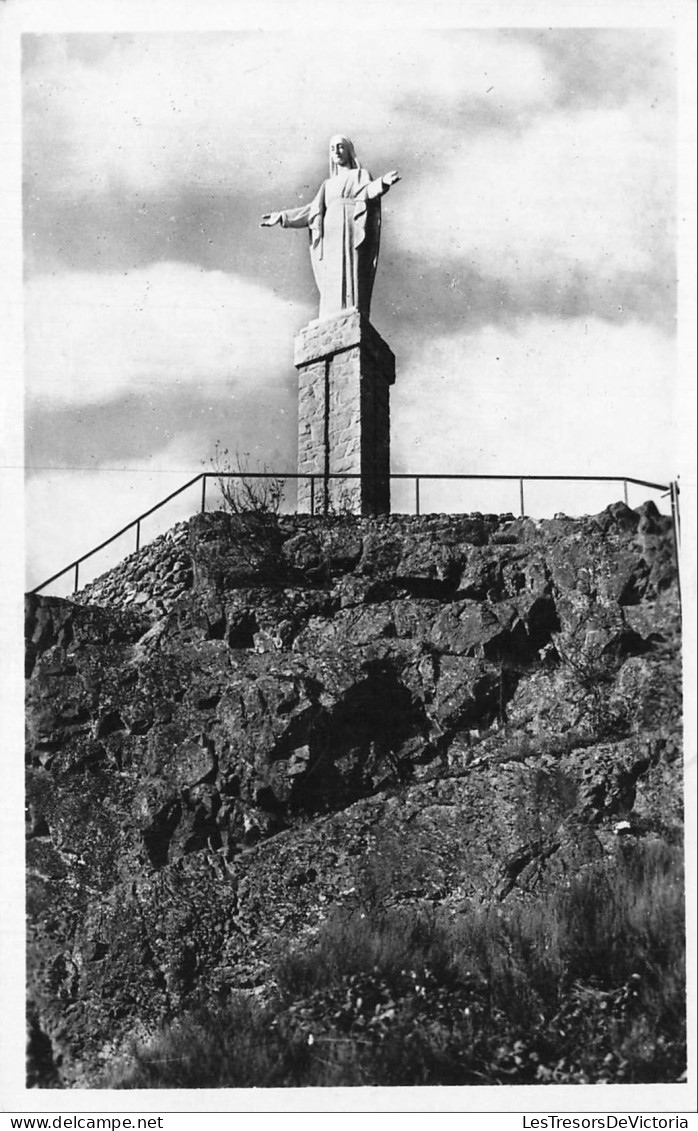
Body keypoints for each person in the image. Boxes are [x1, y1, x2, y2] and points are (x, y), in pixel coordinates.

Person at [261, 135, 400, 321]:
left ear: (349, 151)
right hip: (332, 231)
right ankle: (332, 315)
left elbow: (367, 191)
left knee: (352, 268)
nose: (336, 151)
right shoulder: (327, 185)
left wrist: (382, 183)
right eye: (333, 148)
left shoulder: (359, 174)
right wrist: (283, 217)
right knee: (333, 273)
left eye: (341, 147)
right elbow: (311, 211)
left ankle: (352, 309)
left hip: (351, 224)